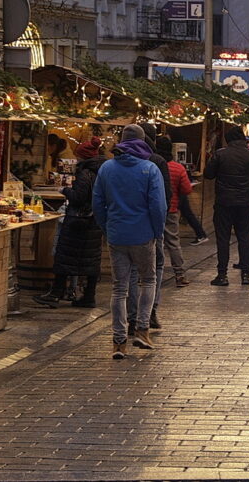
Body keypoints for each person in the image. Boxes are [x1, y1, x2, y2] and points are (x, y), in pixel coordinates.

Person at [93, 125, 167, 359]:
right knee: (148, 280)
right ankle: (142, 330)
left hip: (117, 234)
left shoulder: (107, 168)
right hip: (144, 234)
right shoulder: (150, 169)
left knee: (119, 288)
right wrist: (157, 232)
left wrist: (107, 228)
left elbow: (97, 203)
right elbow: (158, 206)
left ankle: (118, 341)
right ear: (143, 142)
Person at [33, 137, 106, 309]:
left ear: (83, 157)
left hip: (78, 221)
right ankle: (89, 296)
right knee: (91, 260)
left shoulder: (84, 173)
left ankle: (56, 293)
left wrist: (64, 190)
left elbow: (79, 197)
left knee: (64, 257)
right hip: (93, 221)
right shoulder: (101, 172)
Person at [206, 126, 249, 286]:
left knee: (223, 239)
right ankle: (245, 274)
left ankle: (222, 275)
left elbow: (208, 174)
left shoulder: (220, 155)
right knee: (244, 237)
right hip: (244, 203)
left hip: (224, 202)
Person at [130, 123, 171, 330]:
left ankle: (130, 317)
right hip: (150, 225)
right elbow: (164, 197)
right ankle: (150, 311)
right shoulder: (156, 161)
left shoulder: (116, 163)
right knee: (155, 268)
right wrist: (158, 225)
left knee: (129, 274)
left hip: (124, 226)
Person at [156, 136, 192, 288]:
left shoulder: (153, 165)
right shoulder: (178, 168)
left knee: (154, 242)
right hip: (171, 209)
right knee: (173, 242)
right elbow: (186, 189)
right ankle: (180, 274)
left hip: (154, 210)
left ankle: (148, 275)